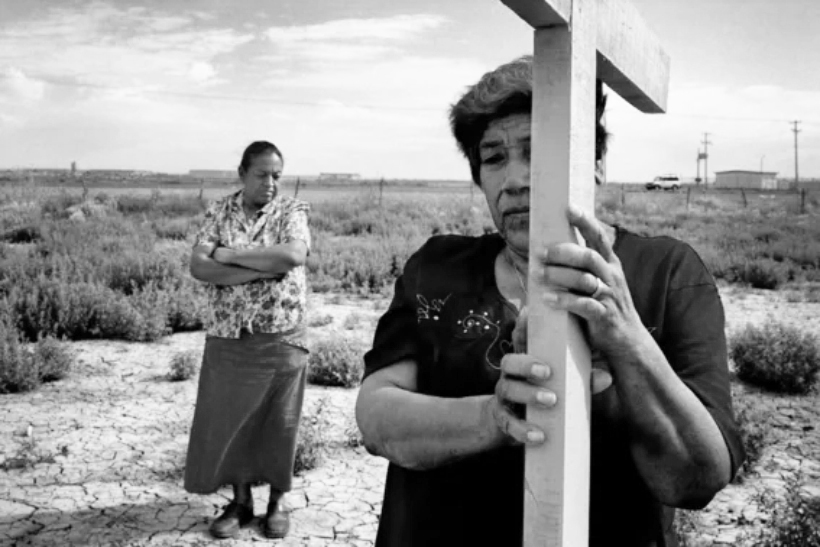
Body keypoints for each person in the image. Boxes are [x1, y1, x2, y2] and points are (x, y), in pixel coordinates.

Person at [355, 56, 745, 547]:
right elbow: (376, 417)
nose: (515, 179)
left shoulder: (665, 273)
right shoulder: (437, 268)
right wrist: (497, 416)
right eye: (494, 157)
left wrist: (625, 337)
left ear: (595, 164)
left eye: (538, 151)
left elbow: (698, 478)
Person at [184, 141, 311, 540]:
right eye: (262, 174)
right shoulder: (219, 211)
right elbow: (200, 267)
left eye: (277, 175)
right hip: (230, 337)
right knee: (234, 422)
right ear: (242, 173)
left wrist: (228, 256)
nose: (270, 183)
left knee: (280, 423)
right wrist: (260, 270)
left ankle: (277, 503)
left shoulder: (292, 211)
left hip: (281, 335)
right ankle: (241, 503)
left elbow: (292, 257)